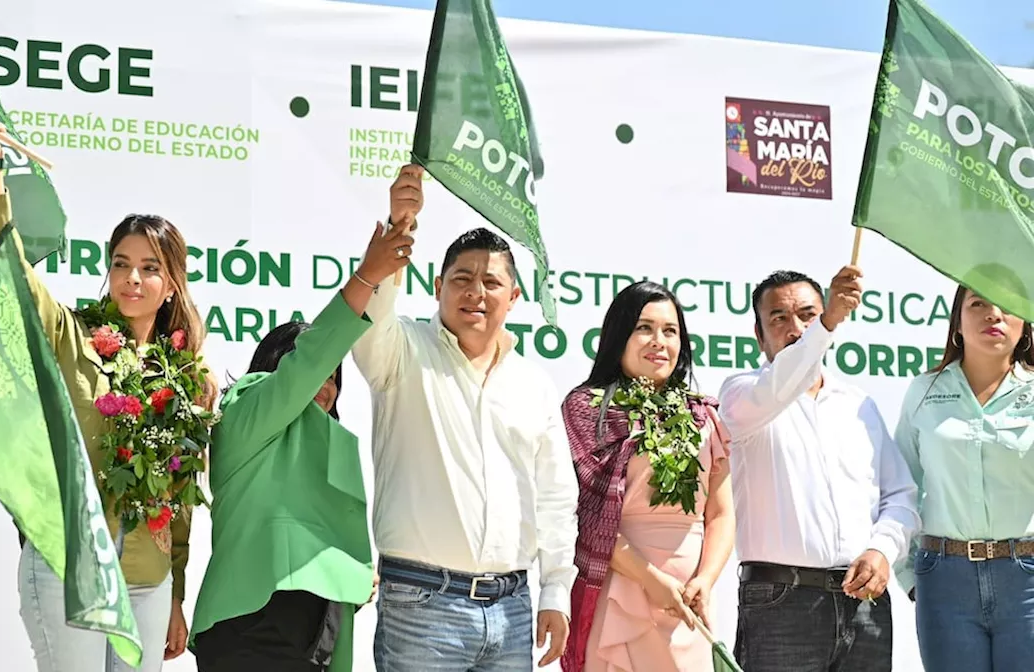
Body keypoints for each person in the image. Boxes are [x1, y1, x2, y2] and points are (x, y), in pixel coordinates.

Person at [0, 111, 215, 672]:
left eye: (149, 268)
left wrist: (177, 593)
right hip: (67, 568)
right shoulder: (72, 334)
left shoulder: (188, 377)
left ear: (171, 280)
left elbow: (178, 502)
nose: (132, 278)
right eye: (121, 264)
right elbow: (9, 270)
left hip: (148, 583)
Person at [352, 163, 579, 672]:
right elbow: (369, 320)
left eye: (491, 281)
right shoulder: (402, 351)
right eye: (462, 278)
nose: (476, 291)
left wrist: (556, 591)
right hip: (422, 605)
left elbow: (556, 497)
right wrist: (400, 225)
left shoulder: (533, 385)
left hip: (512, 608)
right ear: (437, 286)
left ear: (514, 296)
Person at [189, 220, 414, 671]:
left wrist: (355, 574)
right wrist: (368, 276)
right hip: (250, 631)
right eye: (318, 373)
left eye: (334, 379)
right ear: (271, 367)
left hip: (318, 640)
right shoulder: (245, 412)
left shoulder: (329, 445)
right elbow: (307, 363)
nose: (325, 386)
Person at [718, 266, 919, 672]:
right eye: (779, 318)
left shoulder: (858, 405)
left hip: (865, 605)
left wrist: (882, 549)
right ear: (759, 336)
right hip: (779, 604)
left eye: (808, 315)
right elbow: (781, 382)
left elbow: (900, 497)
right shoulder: (742, 395)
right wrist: (826, 322)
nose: (796, 328)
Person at [560, 281, 734, 672]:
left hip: (689, 604)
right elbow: (585, 518)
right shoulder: (587, 410)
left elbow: (721, 514)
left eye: (670, 331)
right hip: (621, 590)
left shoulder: (704, 417)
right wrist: (651, 579)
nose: (659, 341)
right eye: (644, 328)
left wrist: (705, 580)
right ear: (619, 335)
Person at [894, 284, 1034, 672]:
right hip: (944, 580)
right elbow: (900, 486)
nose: (994, 314)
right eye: (978, 304)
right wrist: (909, 574)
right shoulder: (924, 391)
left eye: (1008, 306)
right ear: (957, 323)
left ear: (1025, 325)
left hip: (1026, 579)